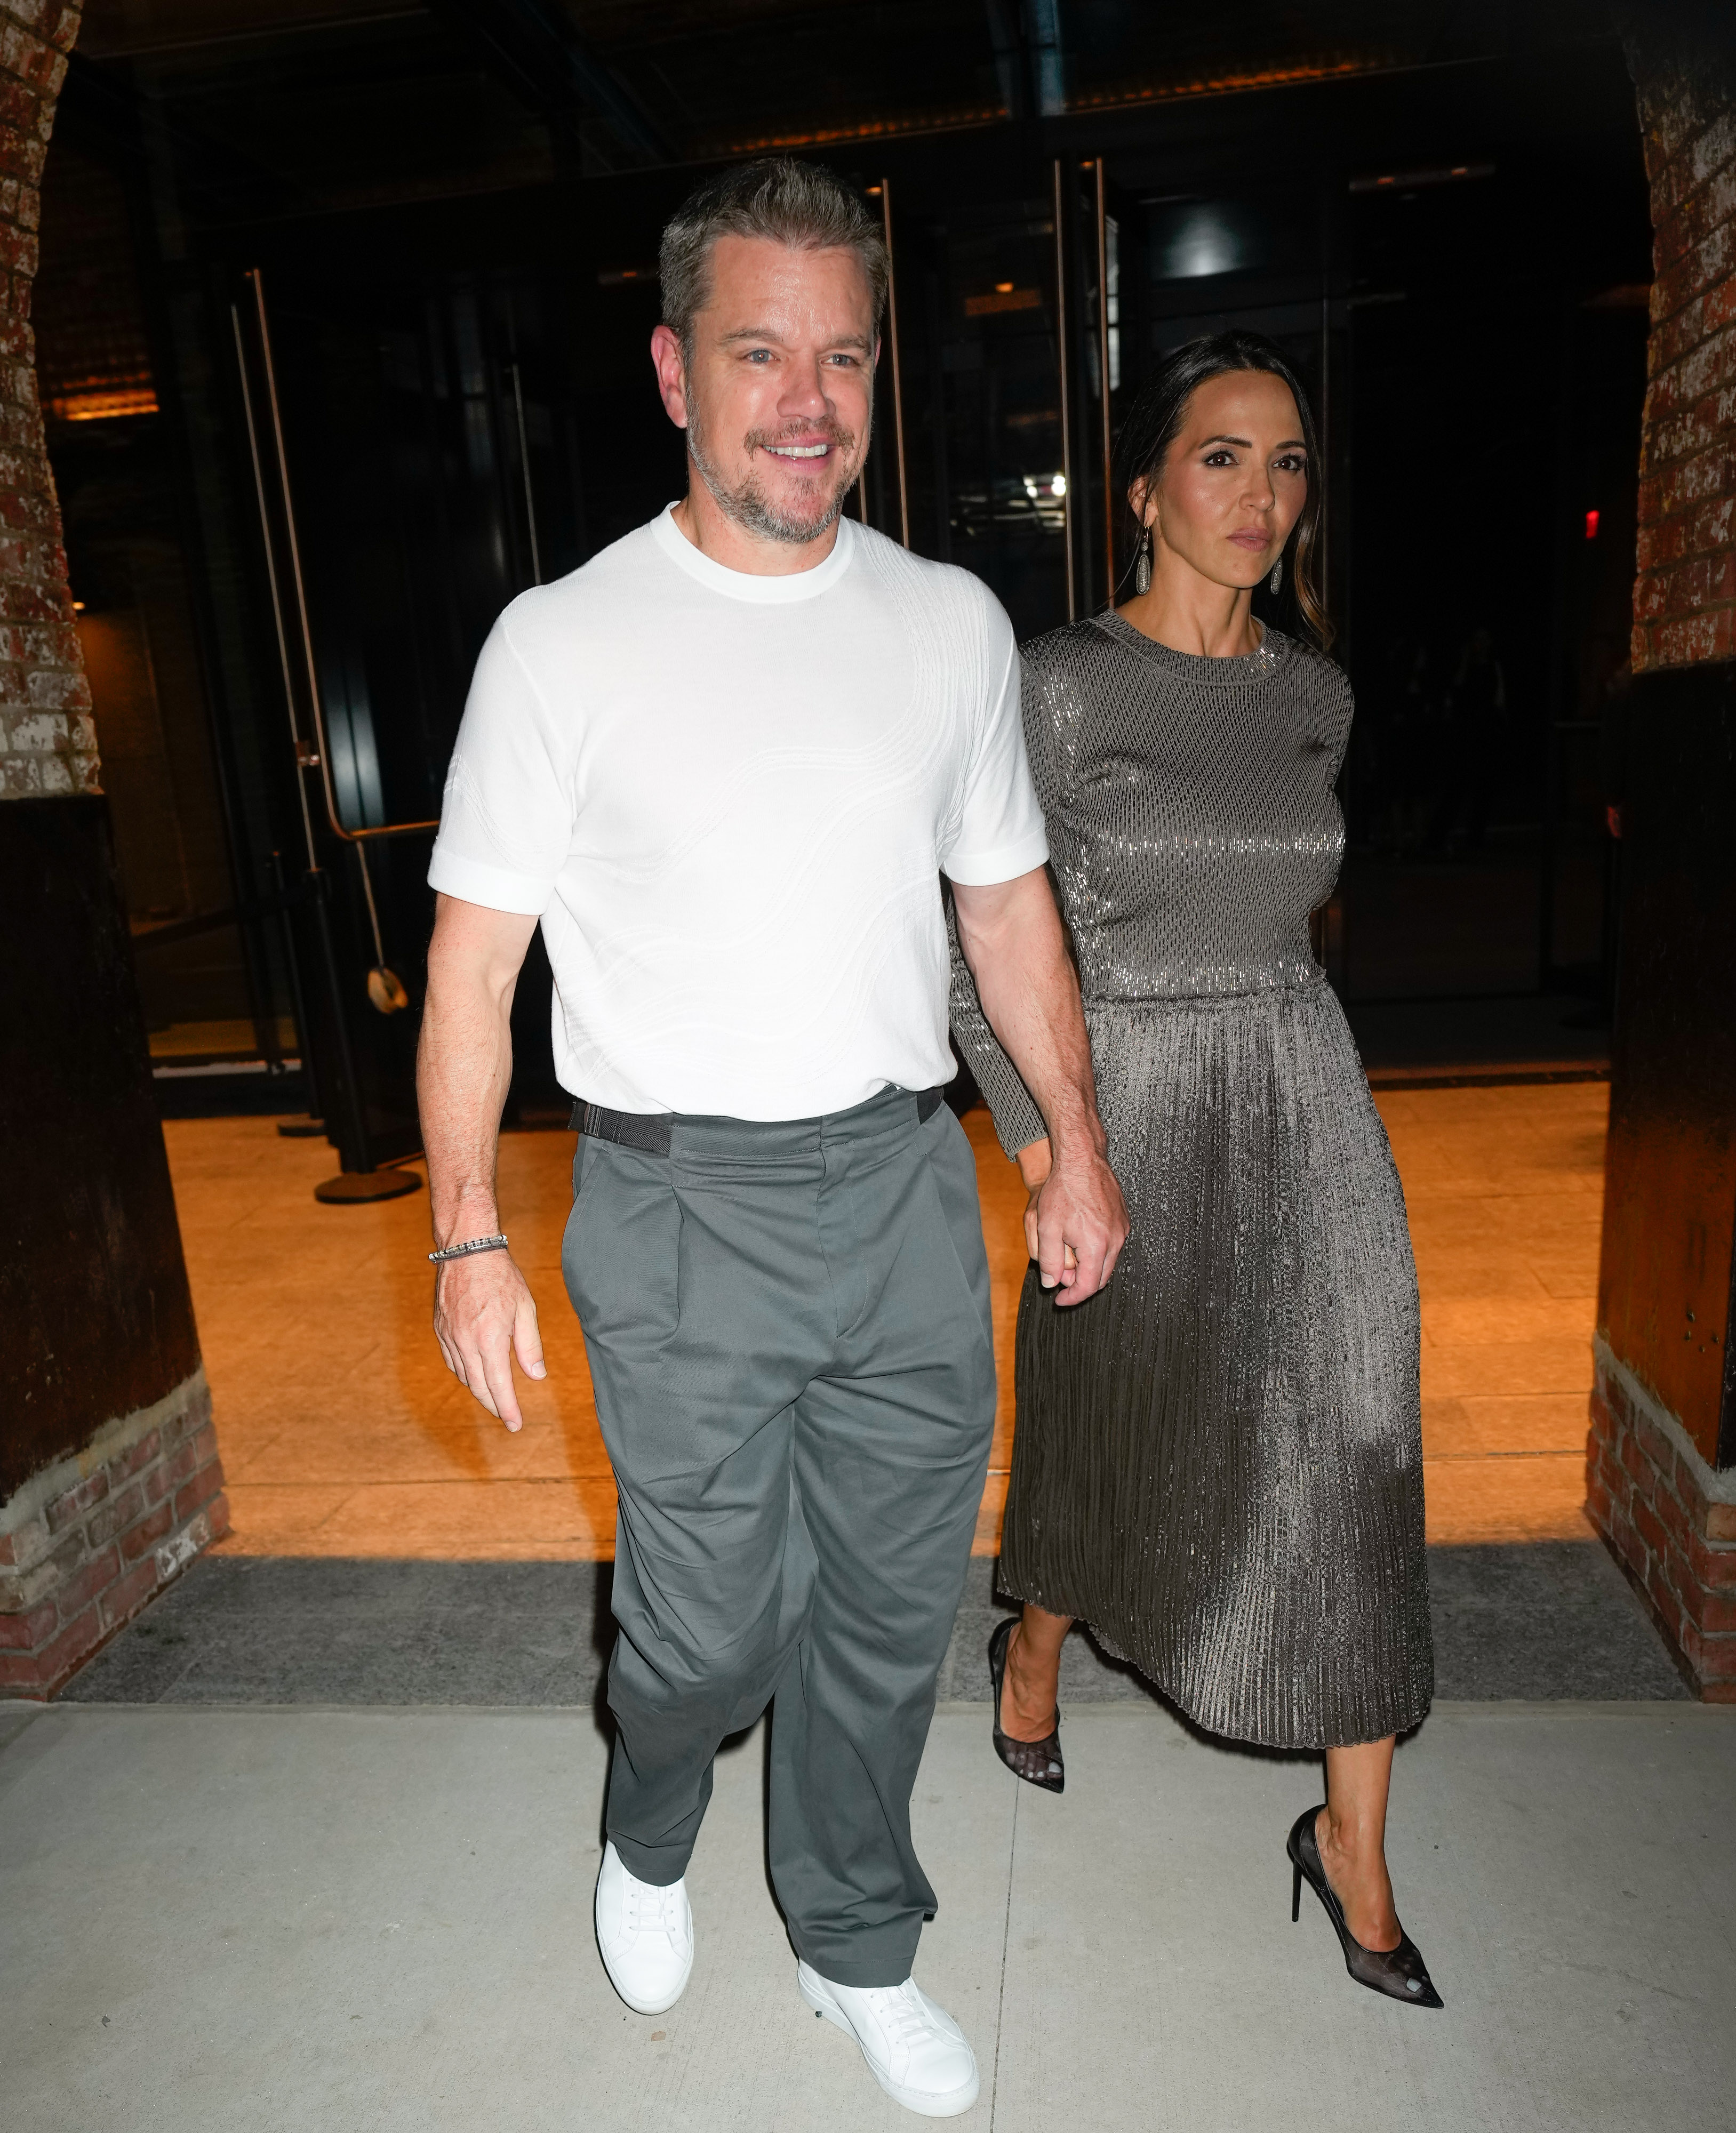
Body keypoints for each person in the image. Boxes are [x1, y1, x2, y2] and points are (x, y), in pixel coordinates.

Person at [415, 157, 1127, 2117]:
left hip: (902, 1178)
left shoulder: (950, 624)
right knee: (709, 1634)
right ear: (672, 372)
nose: (803, 400)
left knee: (893, 1615)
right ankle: (652, 1821)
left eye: (840, 357)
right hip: (675, 1201)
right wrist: (467, 1235)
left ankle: (852, 1937)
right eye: (757, 353)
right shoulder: (559, 648)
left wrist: (1068, 1135)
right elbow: (473, 979)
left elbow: (1004, 911)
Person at [951, 330, 1442, 2009]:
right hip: (1125, 1099)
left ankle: (1353, 1844)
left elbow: (1288, 905)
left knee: (1365, 1427)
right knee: (1114, 1427)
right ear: (1146, 490)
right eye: (1223, 457)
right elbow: (976, 948)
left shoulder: (1318, 693)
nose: (1262, 494)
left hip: (1305, 1088)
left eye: (1289, 461)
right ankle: (1035, 1647)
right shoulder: (1058, 684)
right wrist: (1041, 1149)